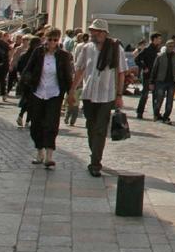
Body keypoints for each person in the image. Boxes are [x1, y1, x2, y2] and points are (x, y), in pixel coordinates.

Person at [68, 19, 125, 177]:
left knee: (100, 128)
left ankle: (95, 162)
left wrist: (119, 95)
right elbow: (80, 70)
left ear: (105, 33)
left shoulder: (115, 48)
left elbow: (121, 72)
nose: (95, 34)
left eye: (98, 31)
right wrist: (72, 90)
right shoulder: (86, 48)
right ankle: (95, 153)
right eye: (93, 31)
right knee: (91, 127)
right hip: (89, 93)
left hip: (106, 94)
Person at [22, 28, 73, 169]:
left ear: (59, 40)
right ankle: (40, 152)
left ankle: (49, 156)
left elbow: (67, 75)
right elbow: (28, 69)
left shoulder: (63, 55)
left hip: (54, 93)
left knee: (51, 124)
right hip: (38, 92)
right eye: (50, 39)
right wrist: (27, 82)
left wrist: (70, 93)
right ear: (45, 39)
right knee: (36, 124)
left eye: (55, 40)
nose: (52, 43)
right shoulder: (38, 52)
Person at [134, 32, 162, 119]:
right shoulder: (147, 49)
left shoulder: (158, 50)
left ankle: (156, 114)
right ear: (154, 39)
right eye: (159, 38)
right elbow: (137, 59)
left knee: (156, 95)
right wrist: (144, 67)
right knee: (145, 94)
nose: (160, 40)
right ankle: (140, 112)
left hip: (155, 75)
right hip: (147, 75)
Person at [65, 33, 89, 126]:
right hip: (82, 71)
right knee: (80, 91)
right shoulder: (85, 47)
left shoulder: (79, 46)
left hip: (78, 70)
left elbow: (75, 59)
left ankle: (74, 107)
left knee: (78, 91)